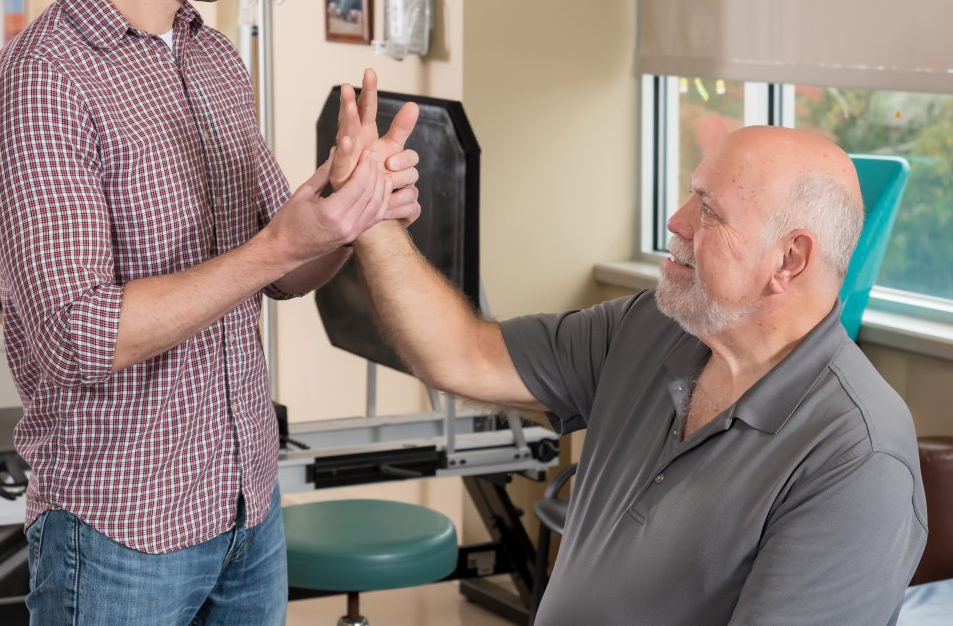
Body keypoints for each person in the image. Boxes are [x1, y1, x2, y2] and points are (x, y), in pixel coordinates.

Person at [0, 0, 419, 624]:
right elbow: (78, 336)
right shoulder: (41, 84)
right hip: (118, 537)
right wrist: (281, 240)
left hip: (247, 513)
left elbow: (282, 271)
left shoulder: (211, 60)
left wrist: (348, 211)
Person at [348, 121, 928, 624]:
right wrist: (371, 217)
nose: (675, 222)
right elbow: (462, 354)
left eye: (709, 211)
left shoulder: (859, 459)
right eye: (690, 194)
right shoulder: (652, 326)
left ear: (789, 260)